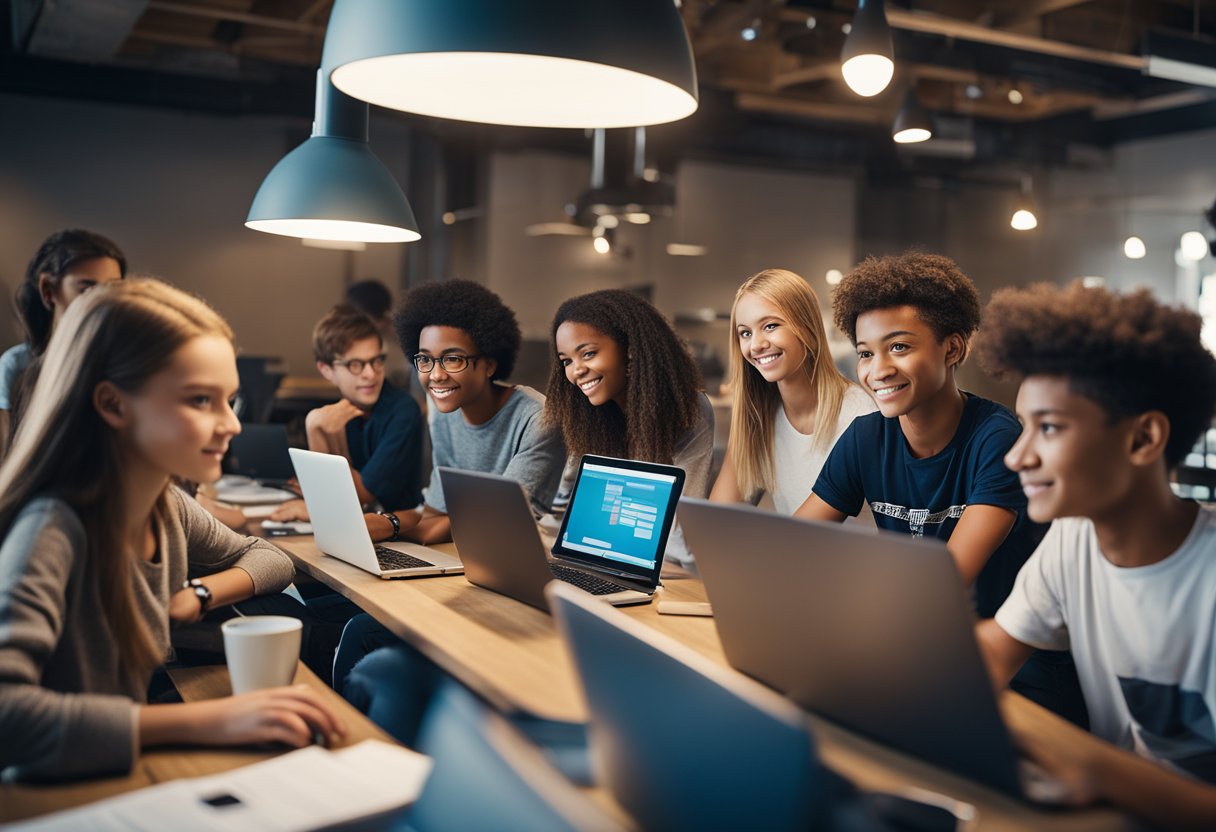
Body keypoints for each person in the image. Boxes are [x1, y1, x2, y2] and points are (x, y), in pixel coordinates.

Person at [0, 278, 344, 782]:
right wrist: (210, 720)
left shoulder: (165, 507)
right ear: (113, 404)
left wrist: (198, 594)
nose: (230, 425)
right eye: (201, 400)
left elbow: (269, 557)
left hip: (111, 776)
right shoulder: (52, 529)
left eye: (230, 401)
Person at [795, 252, 1085, 724]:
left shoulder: (998, 437)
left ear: (952, 349)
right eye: (866, 353)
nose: (878, 369)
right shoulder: (866, 437)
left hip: (1017, 664)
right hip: (919, 646)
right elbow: (791, 543)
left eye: (900, 347)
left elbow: (944, 579)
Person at [972, 282, 1216, 827]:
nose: (1017, 455)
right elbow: (992, 650)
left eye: (1049, 428)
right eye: (1024, 425)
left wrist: (1099, 770)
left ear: (1142, 439)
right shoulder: (1073, 537)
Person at [363, 278, 565, 546]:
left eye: (453, 359)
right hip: (469, 554)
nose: (436, 375)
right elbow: (436, 513)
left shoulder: (537, 420)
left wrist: (390, 526)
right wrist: (380, 524)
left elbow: (495, 520)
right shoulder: (444, 412)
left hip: (527, 559)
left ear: (490, 365)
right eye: (424, 359)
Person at [709, 268, 876, 514]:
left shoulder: (860, 416)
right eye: (745, 333)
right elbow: (716, 519)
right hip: (791, 551)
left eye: (770, 326)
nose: (756, 345)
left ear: (806, 327)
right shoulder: (759, 418)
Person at [546, 289, 714, 497]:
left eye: (588, 353)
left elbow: (688, 508)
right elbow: (564, 500)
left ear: (630, 349)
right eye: (567, 361)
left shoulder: (688, 409)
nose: (576, 371)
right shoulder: (591, 418)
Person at [271, 305, 423, 521]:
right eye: (355, 364)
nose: (370, 374)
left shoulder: (403, 410)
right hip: (352, 528)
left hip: (397, 537)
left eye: (376, 360)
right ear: (326, 370)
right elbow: (325, 494)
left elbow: (360, 495)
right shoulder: (341, 411)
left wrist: (315, 429)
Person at [0, 229, 126, 454]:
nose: (103, 300)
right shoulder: (16, 366)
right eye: (87, 288)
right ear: (48, 290)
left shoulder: (126, 362)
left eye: (112, 289)